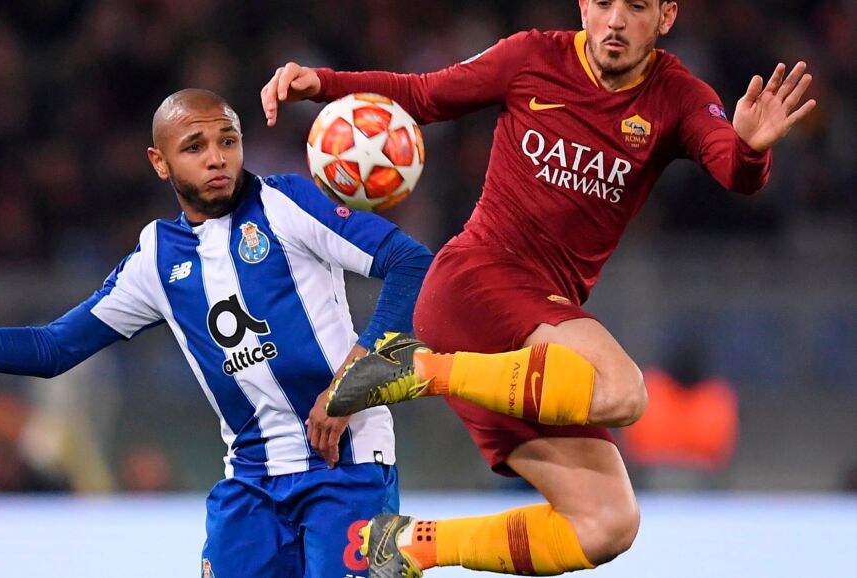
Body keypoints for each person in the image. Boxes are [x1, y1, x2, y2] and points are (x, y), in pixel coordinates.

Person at [262, 1, 816, 576]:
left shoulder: (676, 96)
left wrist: (751, 149)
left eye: (636, 6)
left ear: (666, 16)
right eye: (603, 3)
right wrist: (323, 83)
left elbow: (733, 169)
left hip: (522, 357)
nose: (616, 20)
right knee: (624, 391)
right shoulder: (532, 57)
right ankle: (420, 371)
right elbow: (423, 94)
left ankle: (403, 545)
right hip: (474, 284)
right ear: (584, 6)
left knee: (607, 522)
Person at [0, 89, 433, 577]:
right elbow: (53, 347)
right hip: (253, 483)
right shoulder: (158, 257)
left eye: (228, 141)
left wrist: (352, 383)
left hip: (347, 467)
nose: (217, 159)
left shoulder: (287, 202)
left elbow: (411, 262)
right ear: (160, 162)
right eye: (195, 147)